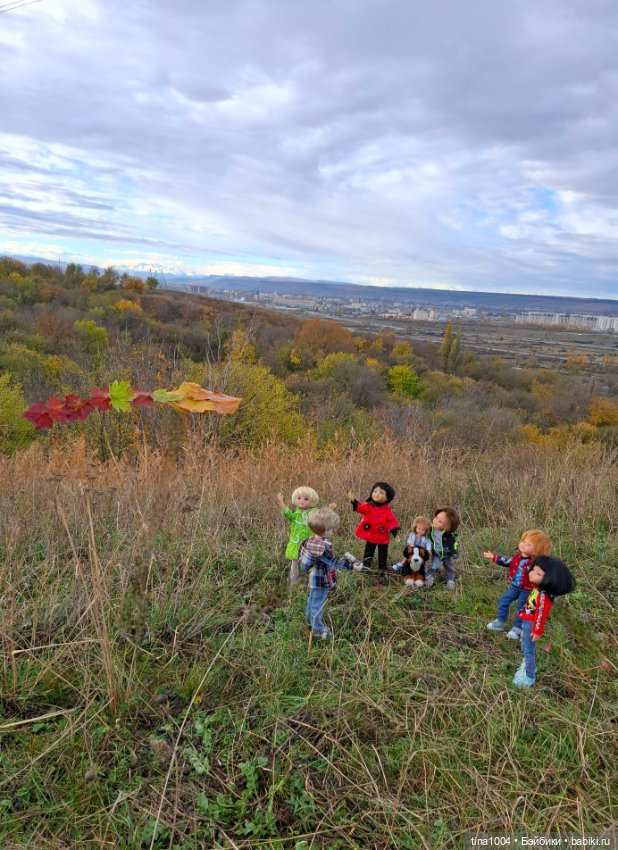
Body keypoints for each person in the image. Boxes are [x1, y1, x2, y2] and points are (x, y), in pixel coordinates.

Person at [299, 507, 363, 640]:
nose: (333, 531)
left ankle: (308, 622)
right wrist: (352, 566)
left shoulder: (311, 540)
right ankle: (317, 631)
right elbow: (334, 561)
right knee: (318, 604)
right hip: (321, 580)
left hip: (314, 577)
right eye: (331, 529)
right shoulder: (321, 547)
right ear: (325, 530)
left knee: (312, 600)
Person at [513, 555, 575, 688]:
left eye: (538, 573)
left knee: (528, 650)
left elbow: (540, 615)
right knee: (524, 645)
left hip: (531, 625)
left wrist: (537, 631)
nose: (532, 574)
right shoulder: (538, 589)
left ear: (549, 579)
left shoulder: (543, 596)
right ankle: (527, 665)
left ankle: (529, 677)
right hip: (526, 622)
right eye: (533, 570)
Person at [484, 529, 552, 640]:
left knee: (521, 608)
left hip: (527, 590)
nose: (524, 544)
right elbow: (507, 561)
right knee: (504, 600)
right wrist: (494, 557)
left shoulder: (535, 563)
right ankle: (500, 622)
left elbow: (541, 575)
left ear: (537, 550)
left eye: (529, 544)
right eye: (523, 541)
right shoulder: (517, 557)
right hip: (514, 587)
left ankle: (517, 628)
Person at [277, 487, 335, 584]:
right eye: (299, 498)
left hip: (310, 544)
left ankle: (309, 581)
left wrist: (329, 509)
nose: (301, 501)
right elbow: (287, 513)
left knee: (310, 563)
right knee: (294, 564)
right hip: (296, 544)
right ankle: (293, 582)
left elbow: (321, 516)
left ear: (312, 501)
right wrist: (281, 502)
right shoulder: (296, 514)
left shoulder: (313, 512)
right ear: (294, 499)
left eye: (306, 499)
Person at [347, 482, 399, 580]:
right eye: (375, 491)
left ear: (388, 497)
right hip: (370, 534)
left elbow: (391, 521)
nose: (376, 494)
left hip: (382, 535)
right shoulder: (368, 506)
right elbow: (360, 508)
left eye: (381, 493)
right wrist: (354, 501)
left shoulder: (387, 510)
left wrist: (395, 533)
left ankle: (382, 569)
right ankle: (366, 566)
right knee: (368, 551)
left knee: (383, 553)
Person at [426, 507, 460, 589]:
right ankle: (430, 576)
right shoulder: (430, 531)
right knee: (435, 566)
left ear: (448, 527)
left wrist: (455, 552)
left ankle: (450, 579)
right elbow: (426, 539)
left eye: (440, 522)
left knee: (449, 566)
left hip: (447, 554)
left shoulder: (449, 536)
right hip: (436, 554)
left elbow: (454, 544)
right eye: (436, 518)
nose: (436, 521)